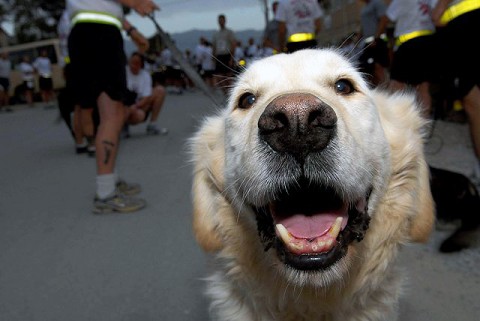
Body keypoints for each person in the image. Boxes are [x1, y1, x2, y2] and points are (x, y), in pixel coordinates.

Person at [66, 0, 158, 214]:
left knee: (111, 113)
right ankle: (106, 194)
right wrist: (137, 3)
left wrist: (131, 30)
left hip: (89, 33)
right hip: (100, 36)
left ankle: (110, 181)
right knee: (112, 115)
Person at [432, 0, 480, 186]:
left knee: (473, 103)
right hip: (462, 29)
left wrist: (440, 9)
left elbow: (437, 17)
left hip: (467, 27)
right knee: (473, 103)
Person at [376, 0, 438, 118]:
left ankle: (398, 120)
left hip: (408, 45)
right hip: (429, 42)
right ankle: (424, 122)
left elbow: (386, 18)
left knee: (397, 85)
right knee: (423, 86)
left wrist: (377, 37)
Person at [123, 52, 168, 137]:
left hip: (138, 105)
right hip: (124, 105)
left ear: (141, 65)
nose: (133, 66)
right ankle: (122, 126)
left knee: (160, 90)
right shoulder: (123, 72)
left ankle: (152, 124)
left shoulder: (145, 75)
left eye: (136, 63)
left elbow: (146, 96)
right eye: (132, 62)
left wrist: (136, 106)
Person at [357, 0, 390, 87]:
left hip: (378, 41)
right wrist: (358, 37)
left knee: (378, 66)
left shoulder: (377, 3)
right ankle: (376, 89)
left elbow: (383, 19)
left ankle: (385, 88)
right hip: (367, 42)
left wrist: (376, 37)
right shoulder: (364, 8)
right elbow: (364, 25)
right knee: (366, 67)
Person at [211, 14, 236, 94]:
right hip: (219, 56)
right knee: (219, 76)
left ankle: (230, 93)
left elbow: (233, 44)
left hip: (227, 55)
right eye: (219, 20)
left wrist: (231, 58)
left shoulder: (229, 32)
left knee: (228, 76)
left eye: (222, 20)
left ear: (225, 21)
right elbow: (214, 46)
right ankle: (225, 92)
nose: (221, 22)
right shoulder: (216, 34)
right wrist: (213, 57)